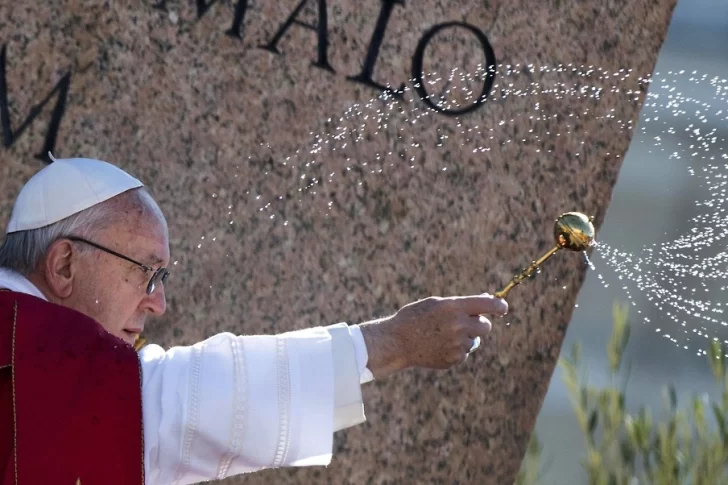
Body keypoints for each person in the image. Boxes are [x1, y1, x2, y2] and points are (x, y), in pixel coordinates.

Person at [0, 156, 508, 485]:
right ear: (64, 264)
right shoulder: (49, 363)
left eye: (163, 278)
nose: (157, 303)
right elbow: (194, 396)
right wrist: (393, 342)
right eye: (145, 272)